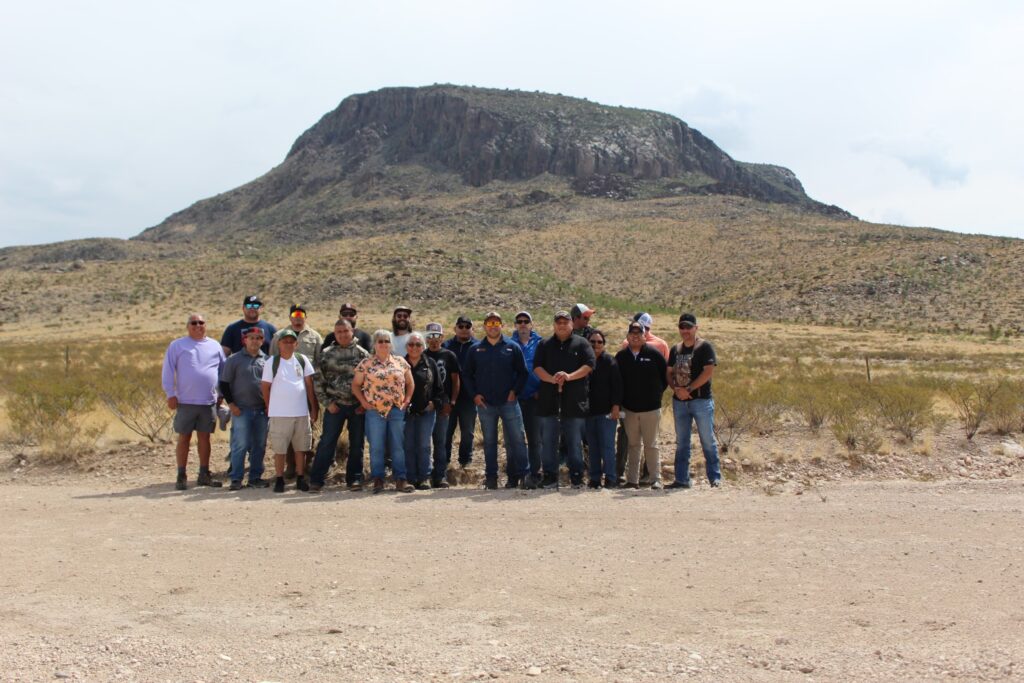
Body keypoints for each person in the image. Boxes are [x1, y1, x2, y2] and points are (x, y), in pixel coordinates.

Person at [462, 311, 530, 489]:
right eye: (490, 323)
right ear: (485, 326)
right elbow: (467, 375)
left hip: (509, 403)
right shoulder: (475, 349)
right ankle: (491, 477)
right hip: (486, 405)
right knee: (490, 442)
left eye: (496, 323)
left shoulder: (512, 347)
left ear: (502, 326)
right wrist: (474, 395)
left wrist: (515, 391)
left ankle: (524, 475)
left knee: (517, 439)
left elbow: (523, 373)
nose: (493, 326)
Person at [161, 313, 226, 490]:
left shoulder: (214, 346)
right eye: (193, 323)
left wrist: (221, 394)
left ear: (206, 325)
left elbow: (223, 371)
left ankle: (204, 474)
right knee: (184, 438)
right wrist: (170, 393)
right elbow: (168, 370)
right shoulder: (177, 345)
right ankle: (181, 475)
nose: (198, 325)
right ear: (187, 326)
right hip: (185, 401)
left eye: (201, 322)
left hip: (208, 402)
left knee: (205, 438)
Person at [533, 311, 595, 489]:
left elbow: (589, 365)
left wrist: (569, 376)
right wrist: (552, 379)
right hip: (548, 401)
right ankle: (550, 476)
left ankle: (576, 476)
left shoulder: (582, 343)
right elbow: (537, 367)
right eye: (558, 322)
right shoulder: (544, 344)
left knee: (574, 441)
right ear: (554, 325)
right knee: (548, 441)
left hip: (574, 402)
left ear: (571, 325)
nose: (561, 325)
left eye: (565, 322)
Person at [309, 319, 370, 492]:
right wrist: (327, 403)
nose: (343, 334)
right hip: (335, 406)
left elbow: (370, 382)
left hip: (357, 407)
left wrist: (364, 404)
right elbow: (318, 382)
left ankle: (355, 479)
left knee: (357, 443)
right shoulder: (327, 354)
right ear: (335, 334)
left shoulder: (363, 354)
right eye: (339, 332)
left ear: (353, 331)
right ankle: (316, 480)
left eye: (346, 331)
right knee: (327, 442)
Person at [352, 329, 416, 494]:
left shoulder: (400, 362)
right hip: (375, 411)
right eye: (380, 341)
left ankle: (400, 479)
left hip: (396, 410)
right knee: (377, 446)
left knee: (398, 446)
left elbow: (410, 383)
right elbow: (355, 385)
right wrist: (364, 403)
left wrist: (407, 400)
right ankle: (378, 479)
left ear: (391, 344)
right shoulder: (366, 363)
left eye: (386, 341)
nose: (383, 344)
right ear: (375, 344)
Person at [667, 313, 722, 488]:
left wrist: (689, 389)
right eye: (682, 327)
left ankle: (715, 477)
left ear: (696, 328)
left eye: (688, 327)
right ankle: (681, 479)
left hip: (701, 400)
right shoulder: (675, 349)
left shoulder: (705, 347)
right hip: (679, 402)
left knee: (707, 439)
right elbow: (669, 372)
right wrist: (676, 389)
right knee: (682, 441)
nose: (685, 331)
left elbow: (708, 372)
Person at [261, 329, 319, 493]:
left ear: (296, 344)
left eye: (291, 341)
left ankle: (300, 477)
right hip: (279, 413)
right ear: (279, 344)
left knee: (301, 448)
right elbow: (265, 387)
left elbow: (309, 385)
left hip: (301, 412)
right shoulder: (272, 362)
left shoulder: (302, 361)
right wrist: (269, 406)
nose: (288, 344)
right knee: (280, 449)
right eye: (284, 341)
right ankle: (280, 478)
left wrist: (313, 408)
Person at [270, 304, 322, 478]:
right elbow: (272, 363)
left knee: (307, 430)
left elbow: (320, 363)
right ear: (290, 317)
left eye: (301, 314)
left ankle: (306, 465)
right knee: (286, 432)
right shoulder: (278, 336)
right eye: (294, 314)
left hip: (307, 391)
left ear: (305, 317)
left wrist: (316, 397)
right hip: (283, 395)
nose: (298, 317)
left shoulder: (315, 337)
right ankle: (290, 466)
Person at [615, 321, 668, 489]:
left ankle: (655, 479)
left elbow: (664, 378)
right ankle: (632, 480)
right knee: (633, 444)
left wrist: (655, 396)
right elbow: (617, 382)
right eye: (632, 333)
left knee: (651, 444)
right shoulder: (621, 357)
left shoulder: (654, 354)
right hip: (629, 409)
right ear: (628, 336)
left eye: (639, 333)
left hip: (651, 409)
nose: (635, 336)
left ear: (645, 336)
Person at [218, 326, 270, 490]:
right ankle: (236, 478)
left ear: (262, 341)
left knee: (259, 445)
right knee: (240, 444)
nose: (255, 341)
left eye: (258, 338)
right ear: (245, 340)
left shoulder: (267, 361)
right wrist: (232, 405)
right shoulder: (234, 360)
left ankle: (255, 477)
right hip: (241, 409)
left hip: (262, 410)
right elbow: (224, 384)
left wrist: (269, 406)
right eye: (251, 338)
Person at [404, 332, 446, 489]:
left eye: (418, 344)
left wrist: (434, 403)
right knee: (408, 444)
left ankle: (424, 477)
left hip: (426, 412)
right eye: (411, 344)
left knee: (424, 445)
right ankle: (409, 477)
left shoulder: (430, 364)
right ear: (406, 347)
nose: (414, 348)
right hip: (405, 412)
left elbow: (439, 388)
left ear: (423, 347)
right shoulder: (400, 363)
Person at [424, 322, 460, 488]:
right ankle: (424, 474)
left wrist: (452, 402)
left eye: (436, 336)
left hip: (443, 405)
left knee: (441, 441)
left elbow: (455, 380)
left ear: (442, 337)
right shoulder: (422, 354)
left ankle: (440, 476)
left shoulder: (449, 355)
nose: (433, 340)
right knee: (424, 442)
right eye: (430, 336)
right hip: (425, 406)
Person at [584, 329, 622, 489]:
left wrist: (616, 407)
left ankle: (611, 478)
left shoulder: (610, 362)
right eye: (592, 342)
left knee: (607, 446)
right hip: (588, 412)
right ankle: (594, 478)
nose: (596, 345)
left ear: (604, 345)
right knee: (592, 447)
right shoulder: (583, 362)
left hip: (607, 412)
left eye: (599, 342)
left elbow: (618, 387)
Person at [510, 311, 543, 486]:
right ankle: (515, 475)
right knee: (514, 439)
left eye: (526, 321)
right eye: (519, 321)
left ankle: (535, 474)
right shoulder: (508, 343)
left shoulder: (541, 343)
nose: (523, 324)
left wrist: (542, 391)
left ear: (531, 324)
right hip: (514, 398)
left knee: (535, 439)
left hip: (534, 397)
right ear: (515, 325)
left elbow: (547, 367)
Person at [443, 315, 478, 467]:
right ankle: (444, 463)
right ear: (455, 328)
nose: (464, 330)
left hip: (469, 397)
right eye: (461, 326)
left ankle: (465, 462)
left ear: (472, 329)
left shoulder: (478, 346)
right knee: (446, 432)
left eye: (467, 327)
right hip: (448, 396)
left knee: (468, 433)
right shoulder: (446, 346)